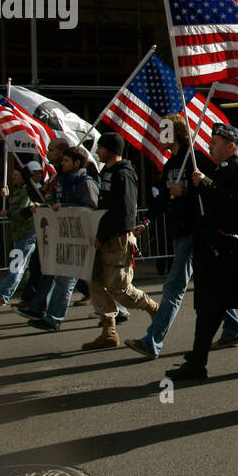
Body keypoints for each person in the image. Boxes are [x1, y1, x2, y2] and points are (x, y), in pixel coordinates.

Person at [124, 115, 238, 360]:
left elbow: (216, 188)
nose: (159, 135)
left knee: (174, 287)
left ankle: (152, 341)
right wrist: (146, 220)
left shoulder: (196, 159)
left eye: (163, 130)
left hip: (196, 232)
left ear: (176, 132)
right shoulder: (171, 165)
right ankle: (234, 327)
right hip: (182, 233)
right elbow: (164, 198)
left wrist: (189, 189)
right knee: (212, 286)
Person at [165, 124, 238, 381]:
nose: (210, 146)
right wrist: (185, 191)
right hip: (214, 255)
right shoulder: (218, 170)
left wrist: (206, 184)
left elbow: (235, 204)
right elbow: (206, 203)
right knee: (207, 310)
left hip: (234, 255)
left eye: (215, 142)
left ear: (231, 146)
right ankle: (196, 362)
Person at [81, 133, 158, 350]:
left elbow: (125, 211)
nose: (97, 152)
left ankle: (154, 309)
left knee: (118, 287)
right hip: (103, 238)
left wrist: (103, 235)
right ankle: (108, 331)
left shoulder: (123, 173)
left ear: (112, 149)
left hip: (116, 240)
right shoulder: (107, 172)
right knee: (95, 282)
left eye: (101, 148)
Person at [22, 146, 99, 331]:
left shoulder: (85, 182)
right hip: (68, 238)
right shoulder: (63, 181)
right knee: (73, 279)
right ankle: (52, 318)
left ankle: (53, 318)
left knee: (89, 281)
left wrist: (65, 207)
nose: (62, 164)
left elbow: (92, 209)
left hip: (82, 239)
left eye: (65, 161)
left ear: (77, 163)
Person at [0, 162, 37, 306]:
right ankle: (26, 297)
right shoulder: (19, 191)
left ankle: (3, 294)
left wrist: (8, 212)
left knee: (17, 266)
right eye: (12, 175)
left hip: (26, 233)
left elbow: (23, 212)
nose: (12, 178)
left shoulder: (26, 191)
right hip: (19, 234)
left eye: (16, 175)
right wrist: (6, 198)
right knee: (28, 268)